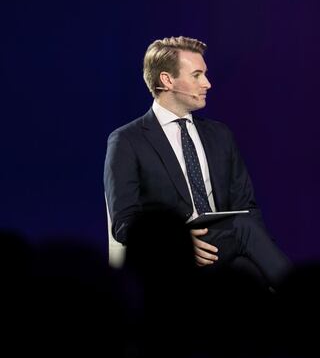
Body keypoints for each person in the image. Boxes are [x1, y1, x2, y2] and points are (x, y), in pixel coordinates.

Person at [104, 36, 291, 288]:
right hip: (170, 257)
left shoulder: (220, 135)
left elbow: (246, 205)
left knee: (248, 262)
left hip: (225, 248)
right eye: (197, 75)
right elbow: (124, 222)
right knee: (245, 235)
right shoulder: (127, 140)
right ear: (167, 80)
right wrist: (179, 241)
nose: (208, 83)